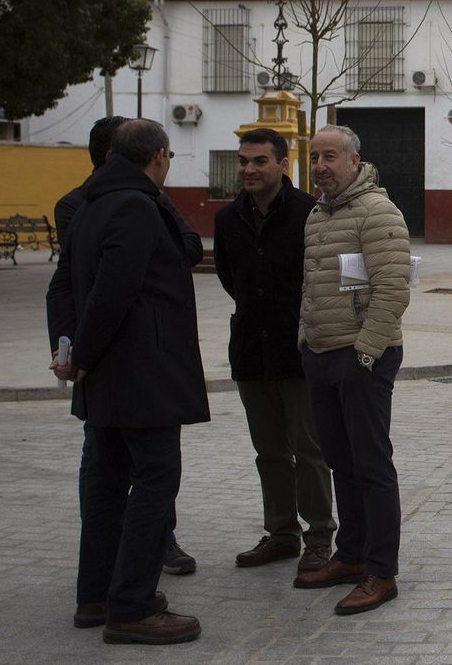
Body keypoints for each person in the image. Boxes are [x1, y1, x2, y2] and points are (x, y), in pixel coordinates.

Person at [46, 119, 209, 644]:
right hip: (143, 373)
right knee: (156, 479)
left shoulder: (89, 204)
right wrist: (83, 356)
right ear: (160, 155)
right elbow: (114, 292)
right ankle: (132, 606)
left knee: (107, 484)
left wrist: (68, 348)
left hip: (106, 379)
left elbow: (62, 287)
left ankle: (95, 596)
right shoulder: (138, 205)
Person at [294, 125, 411, 615]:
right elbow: (314, 286)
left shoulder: (377, 211)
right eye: (315, 157)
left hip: (362, 357)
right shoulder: (318, 215)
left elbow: (393, 289)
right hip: (321, 354)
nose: (321, 166)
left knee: (371, 465)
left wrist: (364, 353)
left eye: (331, 157)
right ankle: (351, 554)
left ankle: (380, 571)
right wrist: (306, 341)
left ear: (355, 160)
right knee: (339, 461)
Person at [214, 128, 336, 575]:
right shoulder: (228, 220)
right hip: (249, 350)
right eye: (243, 161)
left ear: (283, 164)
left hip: (299, 351)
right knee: (268, 451)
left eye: (259, 161)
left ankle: (320, 536)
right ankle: (282, 532)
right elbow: (231, 280)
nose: (248, 169)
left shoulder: (310, 214)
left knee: (309, 451)